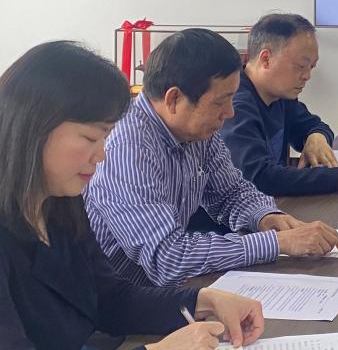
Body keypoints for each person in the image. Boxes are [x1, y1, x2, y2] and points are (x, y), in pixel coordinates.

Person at [0, 40, 264, 350]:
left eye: (105, 138)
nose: (101, 155)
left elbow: (108, 298)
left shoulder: (59, 201)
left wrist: (204, 300)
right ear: (34, 128)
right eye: (90, 138)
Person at [84, 28, 338, 287]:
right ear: (174, 99)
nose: (230, 113)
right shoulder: (129, 150)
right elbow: (168, 258)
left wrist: (265, 217)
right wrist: (276, 243)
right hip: (117, 300)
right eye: (220, 102)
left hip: (164, 290)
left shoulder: (197, 131)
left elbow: (231, 192)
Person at [220, 13, 338, 195]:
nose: (307, 76)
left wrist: (317, 137)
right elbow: (259, 178)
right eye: (301, 66)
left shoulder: (280, 96)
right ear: (266, 59)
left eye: (312, 67)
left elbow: (315, 125)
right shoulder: (235, 106)